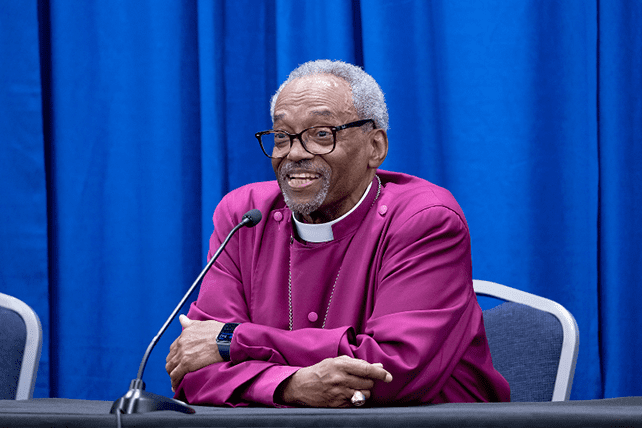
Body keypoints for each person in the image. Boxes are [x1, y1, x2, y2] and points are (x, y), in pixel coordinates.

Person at [165, 59, 510, 407]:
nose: (295, 154)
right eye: (282, 137)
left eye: (321, 134)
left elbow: (390, 370)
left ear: (375, 147)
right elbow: (193, 369)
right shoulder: (244, 216)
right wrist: (291, 386)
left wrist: (234, 341)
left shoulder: (425, 219)